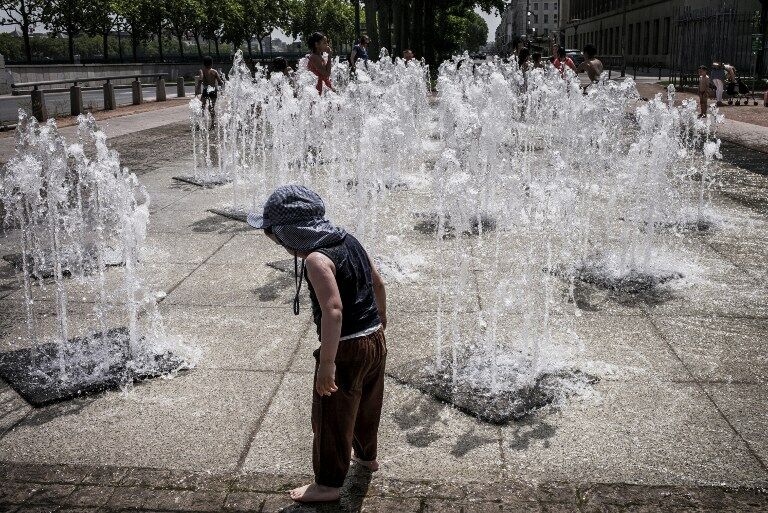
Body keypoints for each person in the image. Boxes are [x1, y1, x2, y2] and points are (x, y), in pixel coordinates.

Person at [247, 185, 388, 504]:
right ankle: (367, 458)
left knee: (331, 415)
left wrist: (327, 364)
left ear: (291, 233)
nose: (279, 244)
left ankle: (328, 483)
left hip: (346, 349)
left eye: (275, 236)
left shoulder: (316, 259)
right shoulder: (349, 240)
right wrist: (380, 318)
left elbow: (333, 310)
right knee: (367, 404)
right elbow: (378, 282)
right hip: (375, 338)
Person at [196, 56, 224, 126]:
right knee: (211, 108)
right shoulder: (214, 71)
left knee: (202, 106)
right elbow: (220, 82)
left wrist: (198, 87)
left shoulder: (202, 70)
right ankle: (213, 123)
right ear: (212, 63)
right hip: (213, 89)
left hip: (206, 89)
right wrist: (222, 81)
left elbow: (200, 79)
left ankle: (200, 123)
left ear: (204, 64)